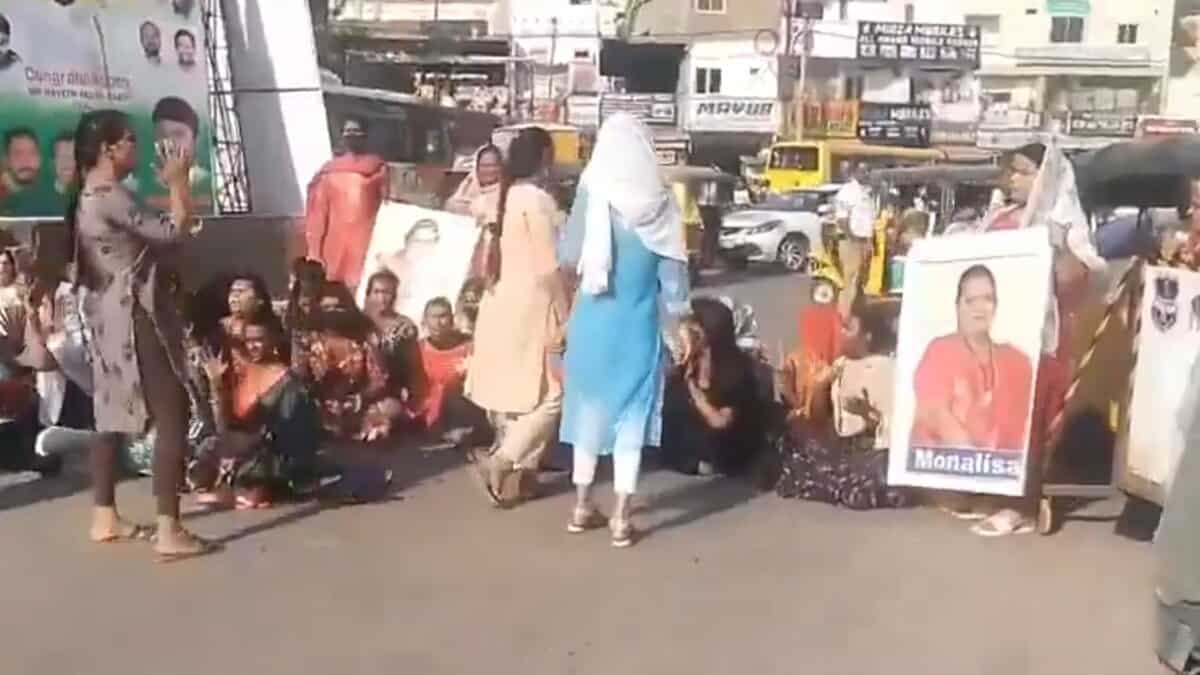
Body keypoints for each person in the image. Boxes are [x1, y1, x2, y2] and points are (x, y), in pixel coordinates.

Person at [69, 109, 217, 560]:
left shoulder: (89, 194)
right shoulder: (110, 195)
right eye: (131, 140)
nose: (138, 147)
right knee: (171, 410)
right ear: (110, 148)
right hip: (136, 315)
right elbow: (172, 232)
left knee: (110, 410)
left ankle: (104, 514)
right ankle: (169, 527)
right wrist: (178, 182)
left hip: (107, 313)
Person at [556, 113, 690, 547]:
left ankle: (580, 505)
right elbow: (672, 280)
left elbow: (568, 260)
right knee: (632, 417)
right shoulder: (663, 203)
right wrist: (680, 327)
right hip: (639, 326)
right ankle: (619, 517)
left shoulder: (591, 195)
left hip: (593, 324)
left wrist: (564, 313)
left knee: (588, 412)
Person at [465, 127, 567, 506]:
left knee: (516, 398)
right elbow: (548, 266)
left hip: (499, 304)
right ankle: (504, 461)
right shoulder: (537, 201)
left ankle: (520, 476)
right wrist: (566, 312)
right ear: (543, 158)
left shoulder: (499, 198)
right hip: (534, 307)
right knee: (555, 393)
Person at [190, 312, 323, 509]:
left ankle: (255, 486)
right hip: (238, 443)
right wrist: (216, 385)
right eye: (249, 340)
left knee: (258, 458)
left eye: (259, 340)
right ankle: (233, 485)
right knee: (209, 447)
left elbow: (291, 433)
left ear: (273, 340)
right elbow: (224, 425)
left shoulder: (285, 379)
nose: (253, 346)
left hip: (272, 450)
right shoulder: (239, 371)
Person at [909, 264, 1033, 452]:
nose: (980, 308)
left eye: (987, 299)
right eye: (971, 301)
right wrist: (975, 461)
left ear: (996, 305)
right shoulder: (940, 351)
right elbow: (937, 414)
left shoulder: (1017, 362)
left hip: (999, 471)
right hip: (947, 470)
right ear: (957, 306)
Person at [660, 297, 764, 480]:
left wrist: (695, 392)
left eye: (692, 329)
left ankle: (703, 462)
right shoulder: (693, 359)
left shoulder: (735, 369)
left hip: (728, 444)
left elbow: (719, 421)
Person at [295, 282, 401, 442]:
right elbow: (298, 380)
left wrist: (357, 400)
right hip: (319, 405)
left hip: (358, 403)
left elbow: (378, 380)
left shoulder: (364, 337)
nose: (332, 313)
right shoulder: (306, 339)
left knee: (391, 407)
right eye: (327, 307)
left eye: (338, 307)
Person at [304, 117, 387, 291]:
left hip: (366, 240)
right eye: (348, 131)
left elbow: (387, 207)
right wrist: (315, 250)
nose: (352, 136)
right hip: (334, 242)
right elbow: (318, 215)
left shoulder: (378, 168)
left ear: (364, 136)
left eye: (356, 132)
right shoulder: (328, 171)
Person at [411, 297, 484, 441]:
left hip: (461, 409)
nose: (438, 323)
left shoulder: (468, 346)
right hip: (426, 412)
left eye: (443, 316)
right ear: (425, 320)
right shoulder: (417, 349)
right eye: (433, 317)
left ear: (451, 319)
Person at [361, 269, 419, 392]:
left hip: (391, 389)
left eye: (387, 292)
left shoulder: (405, 327)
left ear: (395, 295)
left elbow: (410, 367)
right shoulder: (357, 321)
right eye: (376, 292)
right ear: (368, 294)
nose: (382, 298)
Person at [833, 162, 874, 319]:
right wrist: (854, 239)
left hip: (864, 241)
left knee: (861, 281)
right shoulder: (847, 192)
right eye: (863, 171)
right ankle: (843, 317)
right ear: (855, 172)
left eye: (868, 171)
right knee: (850, 280)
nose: (866, 174)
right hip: (851, 241)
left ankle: (857, 315)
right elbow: (842, 221)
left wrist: (868, 241)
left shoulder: (867, 192)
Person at [444, 144, 503, 219]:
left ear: (500, 167)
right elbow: (451, 204)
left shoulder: (506, 190)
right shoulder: (470, 182)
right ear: (477, 168)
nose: (489, 170)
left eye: (492, 165)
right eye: (484, 166)